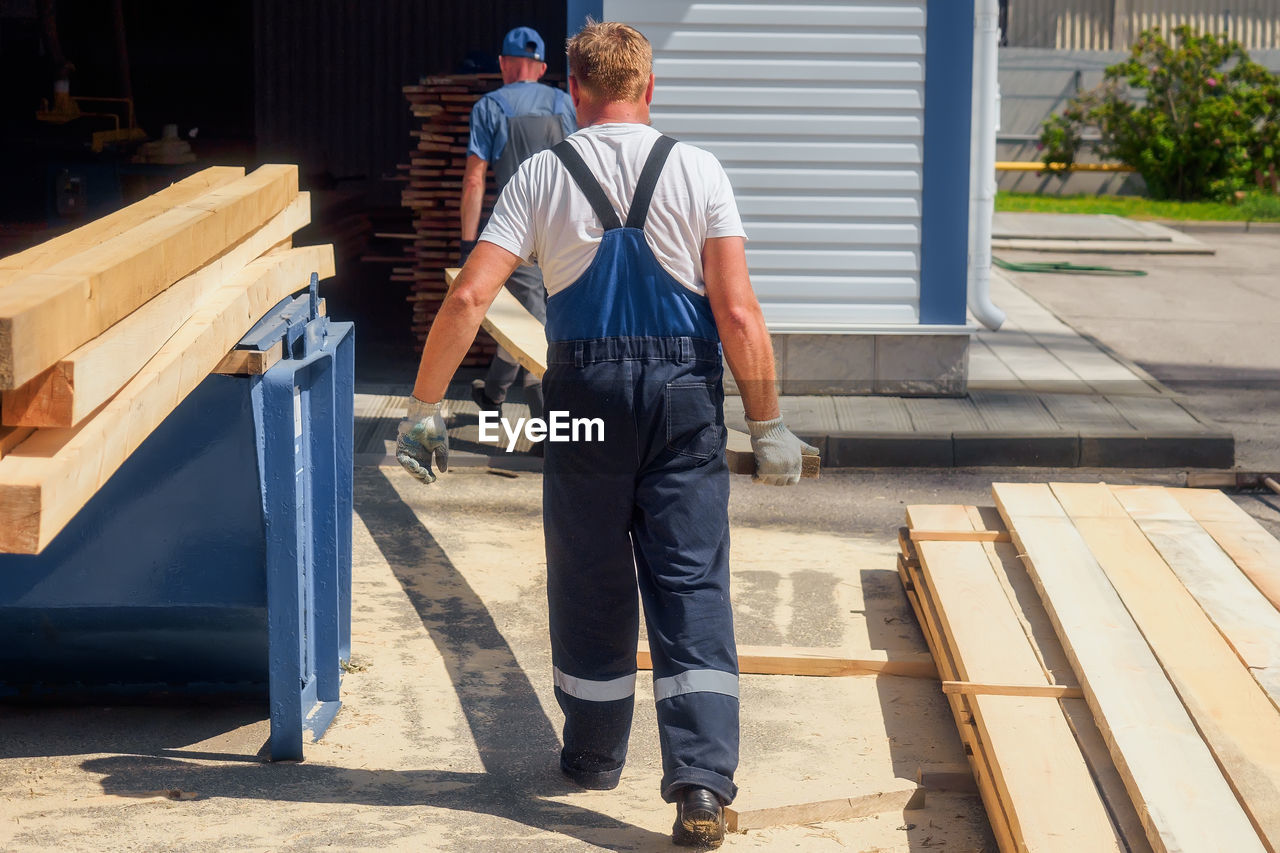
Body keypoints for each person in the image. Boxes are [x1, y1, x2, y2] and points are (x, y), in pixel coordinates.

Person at [398, 20, 817, 848]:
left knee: (590, 575)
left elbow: (469, 298)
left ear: (575, 96)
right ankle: (700, 784)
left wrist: (423, 408)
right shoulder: (699, 171)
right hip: (683, 401)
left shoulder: (542, 175)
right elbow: (737, 309)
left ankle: (591, 756)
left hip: (583, 400)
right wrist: (765, 420)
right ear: (649, 91)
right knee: (690, 579)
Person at [462, 26, 576, 433]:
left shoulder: (489, 107)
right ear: (542, 67)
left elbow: (475, 180)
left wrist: (468, 243)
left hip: (519, 235)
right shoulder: (565, 104)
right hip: (568, 233)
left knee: (531, 323)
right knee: (541, 320)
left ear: (503, 64)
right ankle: (492, 394)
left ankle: (548, 429)